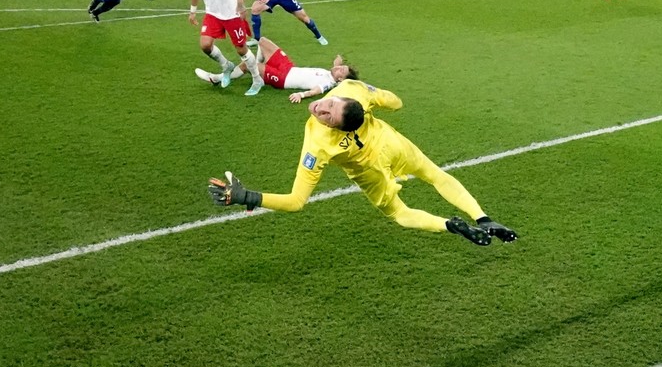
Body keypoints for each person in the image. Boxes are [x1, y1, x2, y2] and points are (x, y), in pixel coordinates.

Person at [208, 78, 518, 247]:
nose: (320, 108)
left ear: (337, 126)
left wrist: (246, 197)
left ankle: (453, 225)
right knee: (435, 175)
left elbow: (296, 201)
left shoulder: (319, 143)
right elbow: (395, 102)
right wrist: (374, 93)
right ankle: (479, 219)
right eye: (329, 103)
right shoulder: (351, 91)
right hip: (391, 143)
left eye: (328, 114)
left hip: (371, 170)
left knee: (400, 213)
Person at [197, 38, 352, 99]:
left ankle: (216, 78)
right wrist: (338, 61)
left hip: (283, 79)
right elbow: (335, 67)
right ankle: (257, 75)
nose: (339, 68)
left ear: (340, 80)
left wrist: (301, 95)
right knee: (262, 41)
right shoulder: (332, 74)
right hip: (288, 67)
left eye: (341, 70)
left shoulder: (328, 83)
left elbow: (316, 91)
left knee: (248, 65)